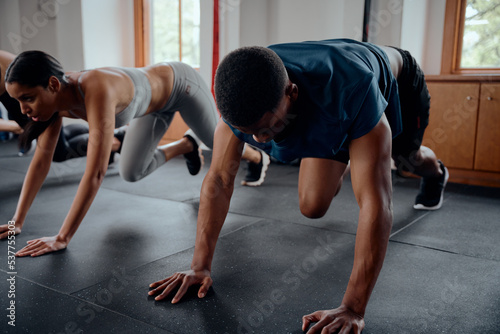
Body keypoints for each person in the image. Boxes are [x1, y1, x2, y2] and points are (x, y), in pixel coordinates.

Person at [148, 39, 448, 333]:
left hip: (397, 79)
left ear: (291, 92)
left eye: (266, 128)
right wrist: (199, 265)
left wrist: (353, 308)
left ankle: (436, 173)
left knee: (407, 160)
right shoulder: (240, 97)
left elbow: (377, 203)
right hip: (331, 101)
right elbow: (220, 179)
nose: (261, 140)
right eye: (249, 133)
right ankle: (352, 148)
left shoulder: (353, 89)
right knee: (312, 206)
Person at [0, 50, 269, 253]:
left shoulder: (95, 88)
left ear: (53, 85)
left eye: (28, 99)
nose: (23, 110)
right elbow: (41, 161)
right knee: (131, 172)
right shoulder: (52, 107)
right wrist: (16, 222)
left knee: (216, 142)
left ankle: (258, 156)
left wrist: (62, 238)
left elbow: (95, 173)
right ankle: (186, 144)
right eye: (17, 101)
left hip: (181, 86)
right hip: (152, 108)